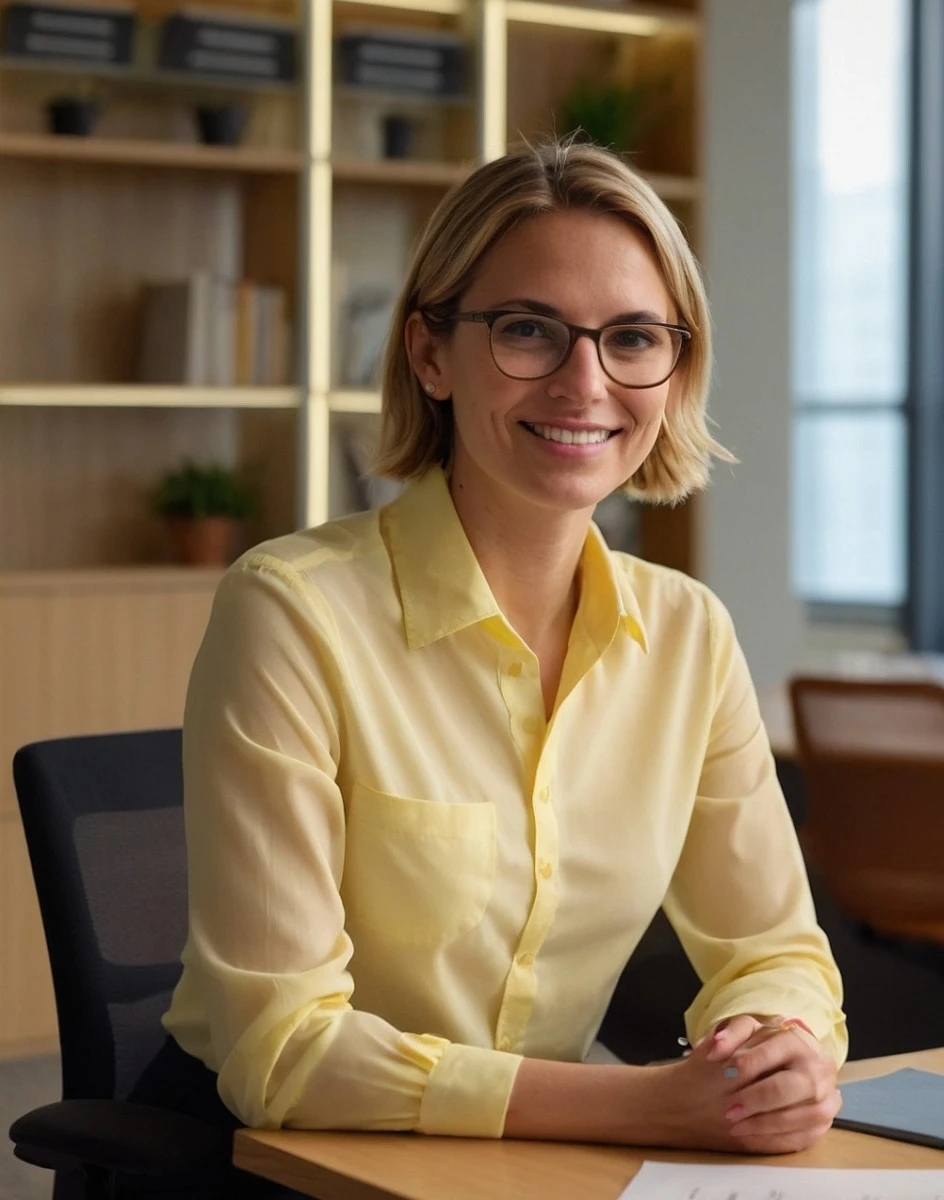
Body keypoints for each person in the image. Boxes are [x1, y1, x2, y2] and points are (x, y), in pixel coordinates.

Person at [150, 137, 847, 1191]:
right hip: (279, 1159)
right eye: (528, 330)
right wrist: (648, 1104)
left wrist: (772, 1049)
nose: (585, 382)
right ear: (430, 354)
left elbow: (775, 950)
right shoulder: (293, 611)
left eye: (632, 338)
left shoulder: (688, 636)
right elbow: (284, 1049)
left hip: (539, 1156)